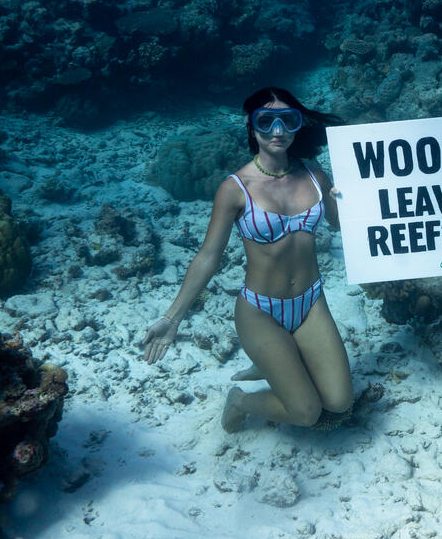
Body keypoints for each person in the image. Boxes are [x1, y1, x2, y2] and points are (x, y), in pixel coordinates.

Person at [141, 87, 354, 433]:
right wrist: (172, 318)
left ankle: (282, 359)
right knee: (307, 412)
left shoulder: (316, 176)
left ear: (298, 125)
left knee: (340, 402)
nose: (278, 131)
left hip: (312, 304)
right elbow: (209, 257)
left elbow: (338, 223)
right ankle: (240, 399)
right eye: (266, 121)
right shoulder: (235, 188)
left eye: (288, 120)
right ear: (252, 127)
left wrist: (346, 197)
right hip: (260, 311)